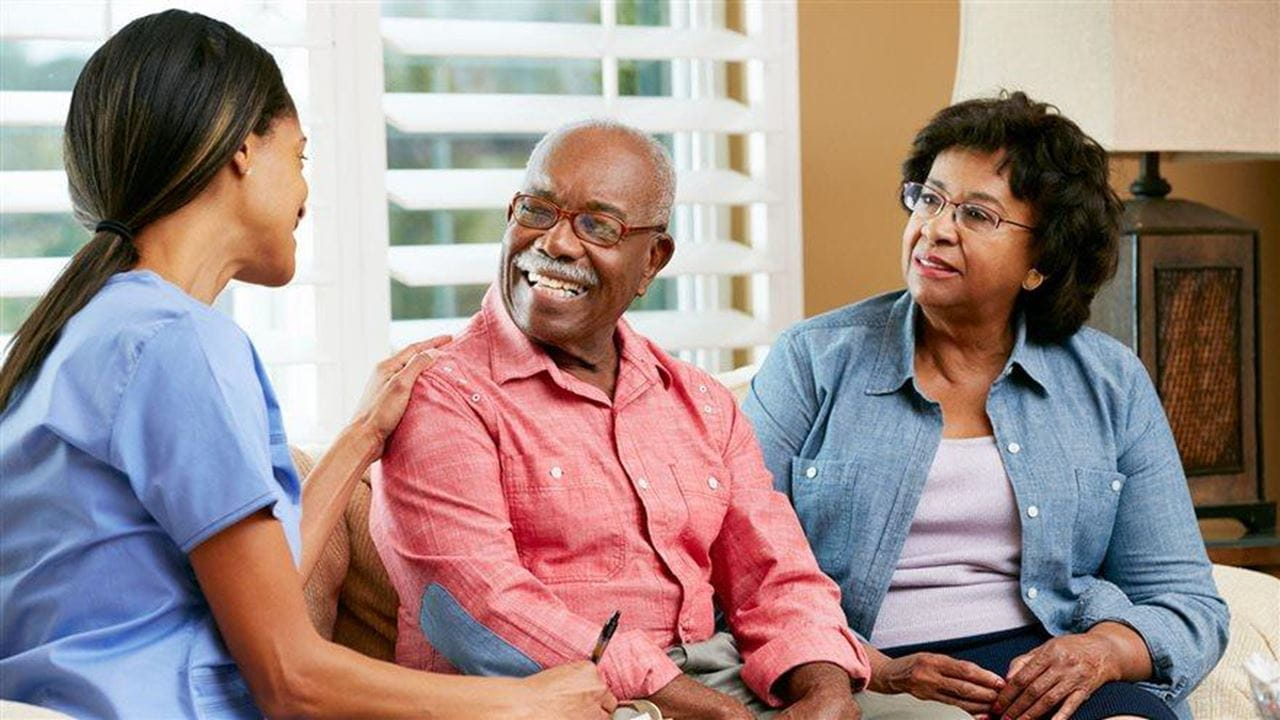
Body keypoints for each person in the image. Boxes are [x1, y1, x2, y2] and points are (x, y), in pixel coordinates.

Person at [0, 11, 614, 719]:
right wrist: (521, 703)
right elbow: (289, 678)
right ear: (241, 150)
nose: (305, 194)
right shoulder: (180, 343)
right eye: (300, 156)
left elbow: (262, 600)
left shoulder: (73, 334)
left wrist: (360, 438)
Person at [371, 119, 963, 720]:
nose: (555, 243)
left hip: (714, 677)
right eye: (539, 210)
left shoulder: (700, 402)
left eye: (597, 226)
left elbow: (776, 575)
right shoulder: (442, 394)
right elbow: (477, 609)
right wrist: (714, 713)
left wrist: (825, 690)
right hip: (556, 699)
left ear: (652, 259)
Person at [743, 91, 1228, 720]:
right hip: (863, 664)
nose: (935, 228)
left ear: (1042, 262)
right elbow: (739, 570)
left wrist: (1103, 650)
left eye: (977, 214)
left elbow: (1186, 600)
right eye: (930, 197)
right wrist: (877, 668)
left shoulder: (1109, 382)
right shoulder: (813, 360)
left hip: (1041, 665)